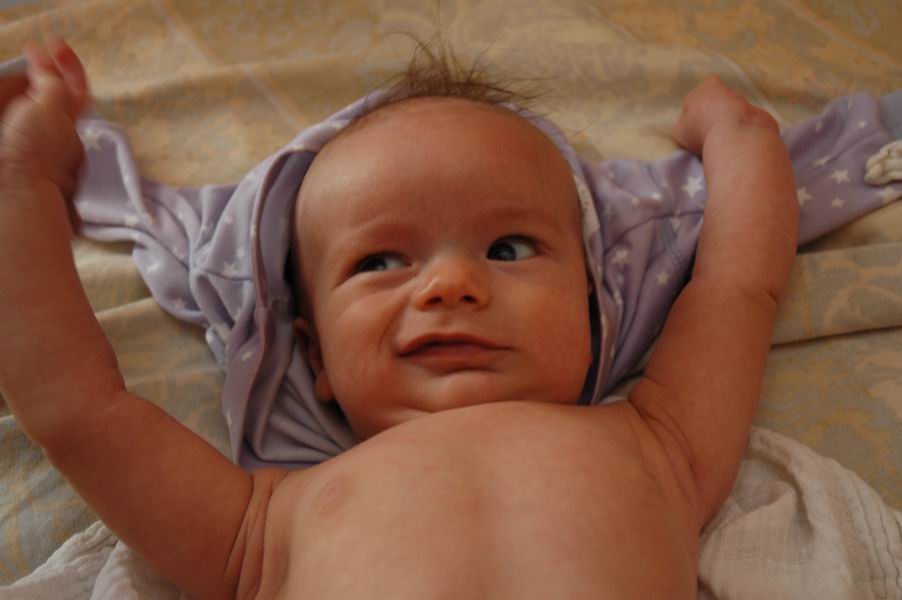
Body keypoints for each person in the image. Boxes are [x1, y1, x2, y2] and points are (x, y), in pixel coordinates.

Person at [0, 39, 898, 599]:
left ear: (594, 307)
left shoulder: (664, 443)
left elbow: (735, 283)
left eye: (509, 248)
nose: (450, 285)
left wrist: (738, 137)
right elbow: (74, 404)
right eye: (379, 262)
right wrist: (24, 176)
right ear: (312, 356)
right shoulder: (260, 526)